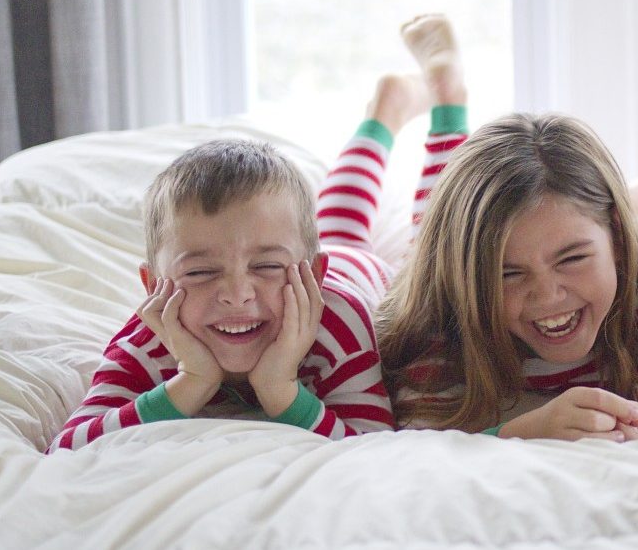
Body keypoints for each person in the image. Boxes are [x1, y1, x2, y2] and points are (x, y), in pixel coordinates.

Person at [48, 25, 468, 451]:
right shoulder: (149, 339)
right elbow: (68, 447)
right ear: (153, 286)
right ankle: (386, 110)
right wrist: (191, 382)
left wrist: (280, 389)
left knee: (437, 241)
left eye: (266, 266)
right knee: (339, 222)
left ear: (314, 275)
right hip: (321, 256)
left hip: (357, 274)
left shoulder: (338, 326)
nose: (236, 294)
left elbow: (371, 443)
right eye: (201, 271)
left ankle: (444, 103)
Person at [375, 15, 638, 441]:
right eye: (508, 272)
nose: (547, 295)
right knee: (434, 227)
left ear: (617, 237)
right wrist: (522, 432)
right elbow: (422, 442)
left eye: (573, 258)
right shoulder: (439, 308)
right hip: (457, 260)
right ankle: (447, 101)